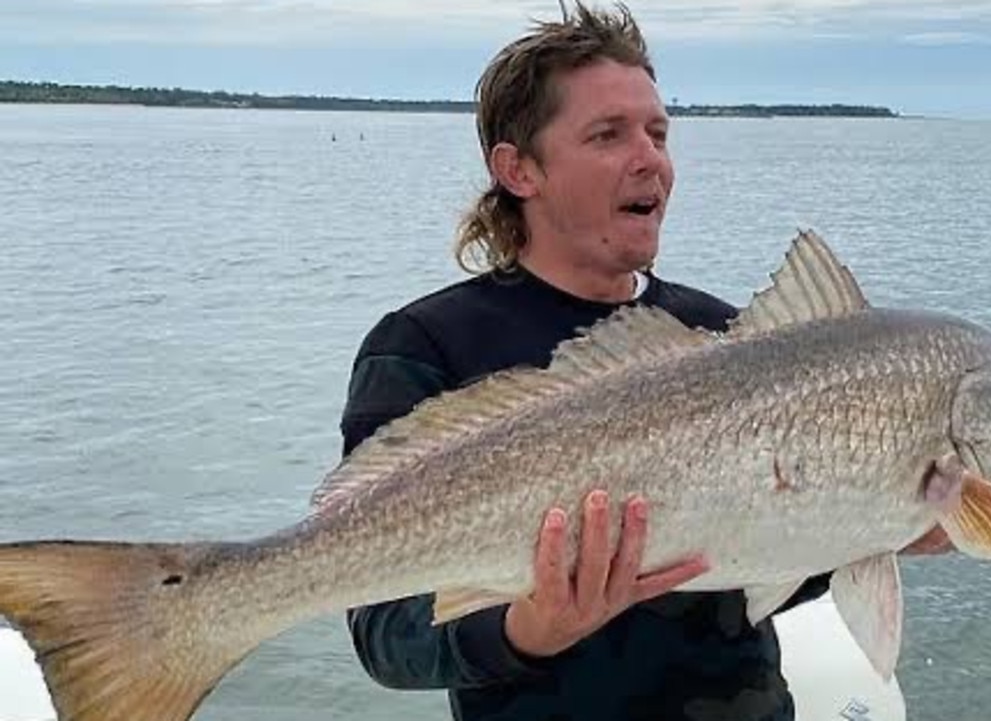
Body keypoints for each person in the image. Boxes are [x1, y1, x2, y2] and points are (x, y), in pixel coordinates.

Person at [338, 3, 949, 719]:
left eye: (658, 132)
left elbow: (762, 563)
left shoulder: (730, 340)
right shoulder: (424, 345)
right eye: (608, 134)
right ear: (518, 169)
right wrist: (525, 631)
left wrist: (880, 522)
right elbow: (383, 631)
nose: (649, 157)